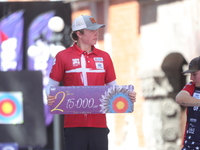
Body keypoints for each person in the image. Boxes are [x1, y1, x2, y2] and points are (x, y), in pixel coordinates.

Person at [46, 15, 136, 150]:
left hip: (99, 125)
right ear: (79, 34)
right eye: (92, 30)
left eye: (97, 29)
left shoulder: (104, 57)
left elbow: (113, 88)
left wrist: (126, 96)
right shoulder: (63, 56)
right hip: (73, 126)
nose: (96, 33)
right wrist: (50, 96)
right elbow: (50, 87)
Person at [176, 56, 200, 150]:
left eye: (194, 74)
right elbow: (180, 98)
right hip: (190, 145)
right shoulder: (192, 86)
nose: (191, 78)